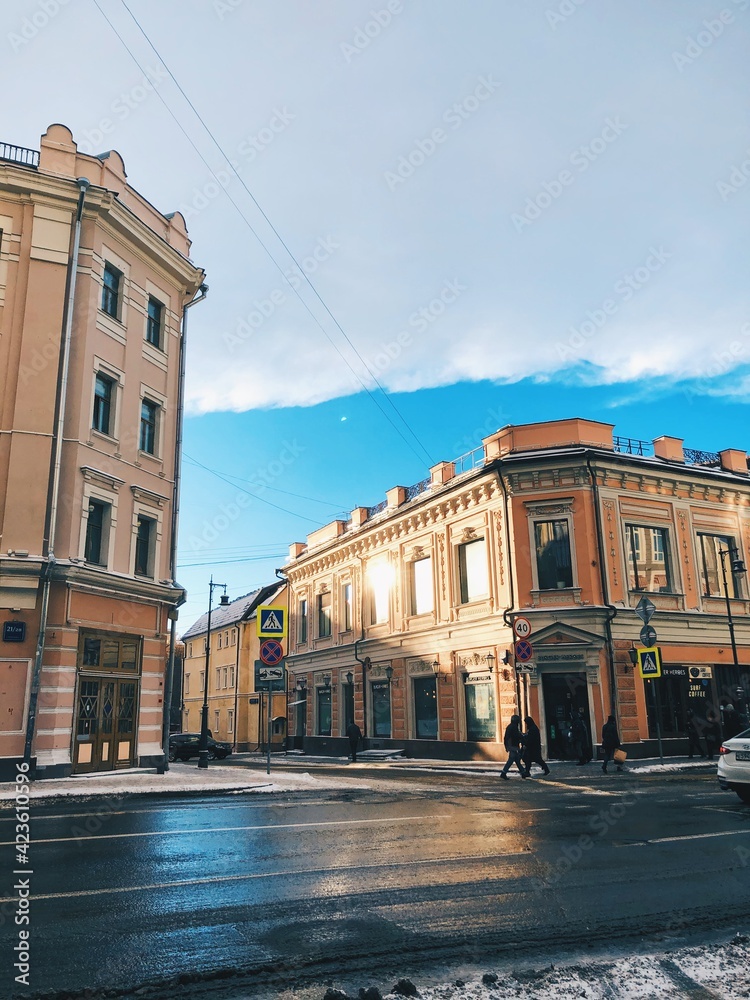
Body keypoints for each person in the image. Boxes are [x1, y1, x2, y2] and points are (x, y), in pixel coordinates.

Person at [500, 714, 527, 779]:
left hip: (511, 745)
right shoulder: (513, 727)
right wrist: (522, 737)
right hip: (513, 745)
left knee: (517, 759)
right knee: (512, 759)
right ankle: (503, 773)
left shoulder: (510, 726)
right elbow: (516, 736)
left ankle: (523, 772)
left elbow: (506, 737)